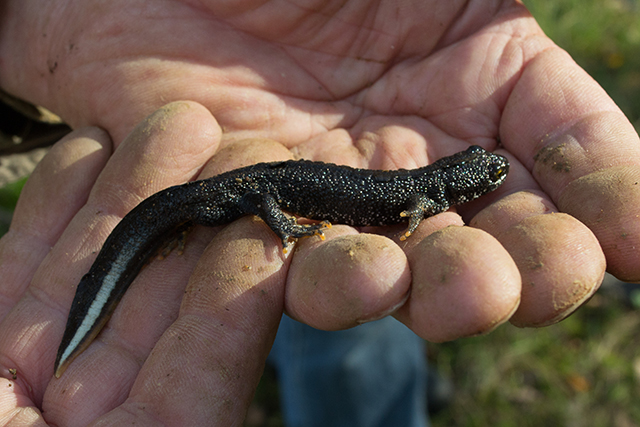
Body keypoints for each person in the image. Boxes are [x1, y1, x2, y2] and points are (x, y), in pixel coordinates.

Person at [0, 1, 638, 425]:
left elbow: (416, 202)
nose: (494, 173)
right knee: (216, 227)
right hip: (249, 193)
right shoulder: (426, 195)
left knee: (338, 290)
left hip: (255, 184)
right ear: (461, 188)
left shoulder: (432, 188)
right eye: (488, 172)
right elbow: (413, 207)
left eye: (491, 171)